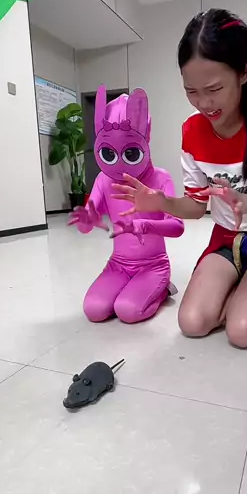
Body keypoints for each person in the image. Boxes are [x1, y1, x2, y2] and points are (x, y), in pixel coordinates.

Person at [112, 9, 247, 347]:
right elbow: (195, 206)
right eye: (191, 91)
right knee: (191, 323)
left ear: (245, 71)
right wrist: (161, 202)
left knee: (242, 332)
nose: (204, 103)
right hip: (227, 240)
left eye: (214, 88)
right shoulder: (192, 130)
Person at [69, 85, 184, 324]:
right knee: (94, 310)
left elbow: (177, 227)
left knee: (127, 311)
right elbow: (86, 226)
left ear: (145, 139)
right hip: (118, 264)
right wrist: (87, 219)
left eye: (130, 153)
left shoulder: (160, 178)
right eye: (109, 154)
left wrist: (144, 225)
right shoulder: (104, 180)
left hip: (153, 265)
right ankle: (129, 288)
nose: (119, 164)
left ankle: (162, 290)